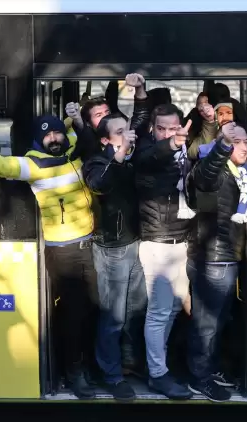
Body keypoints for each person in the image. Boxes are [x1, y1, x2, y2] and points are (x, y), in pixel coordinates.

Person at [0, 112, 99, 399]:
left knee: (92, 311)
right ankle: (74, 372)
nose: (54, 138)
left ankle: (87, 365)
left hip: (92, 246)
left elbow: (75, 133)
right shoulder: (32, 165)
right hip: (64, 252)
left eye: (57, 134)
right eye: (47, 135)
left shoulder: (73, 149)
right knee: (74, 316)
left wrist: (69, 118)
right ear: (39, 139)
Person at [184, 122, 247, 402]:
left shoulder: (243, 173)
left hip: (228, 257)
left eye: (245, 141)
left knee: (219, 321)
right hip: (213, 259)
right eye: (236, 142)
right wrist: (223, 144)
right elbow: (205, 175)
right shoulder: (214, 170)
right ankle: (198, 378)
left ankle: (209, 370)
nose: (244, 147)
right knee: (206, 325)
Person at [82, 113, 146, 401]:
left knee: (135, 311)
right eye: (120, 132)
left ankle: (129, 364)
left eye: (128, 130)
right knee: (113, 317)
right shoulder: (98, 160)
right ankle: (111, 375)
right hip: (112, 248)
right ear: (106, 139)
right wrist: (119, 155)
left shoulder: (134, 156)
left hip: (136, 243)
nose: (128, 135)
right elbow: (99, 185)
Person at [132, 103, 194, 399]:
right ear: (152, 129)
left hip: (180, 241)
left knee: (171, 310)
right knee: (158, 314)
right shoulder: (147, 153)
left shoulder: (184, 151)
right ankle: (157, 374)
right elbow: (151, 157)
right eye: (162, 129)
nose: (168, 133)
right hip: (157, 244)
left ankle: (161, 365)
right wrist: (172, 143)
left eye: (173, 127)